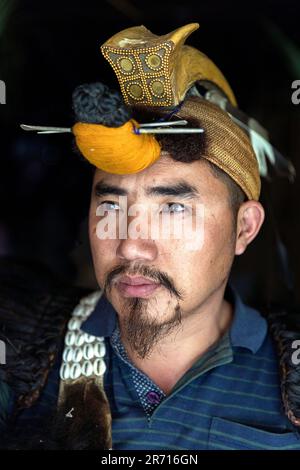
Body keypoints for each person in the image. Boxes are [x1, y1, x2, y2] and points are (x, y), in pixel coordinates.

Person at [1, 22, 300, 450]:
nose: (130, 244)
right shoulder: (20, 353)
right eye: (110, 206)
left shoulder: (290, 379)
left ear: (244, 228)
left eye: (174, 208)